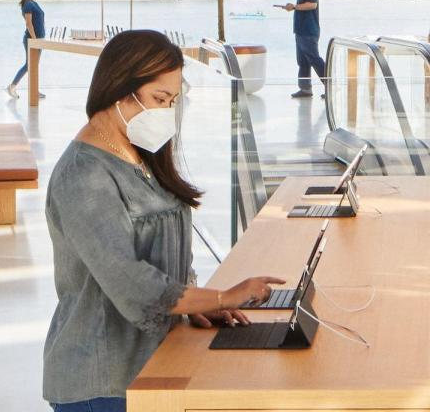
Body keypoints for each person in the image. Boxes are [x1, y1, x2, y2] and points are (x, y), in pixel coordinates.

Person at [43, 30, 285, 411]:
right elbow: (130, 282)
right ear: (121, 89)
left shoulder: (141, 155)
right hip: (103, 381)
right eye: (159, 99)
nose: (166, 111)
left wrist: (197, 303)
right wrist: (223, 295)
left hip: (155, 362)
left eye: (172, 101)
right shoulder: (82, 176)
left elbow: (167, 252)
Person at [281, 0, 326, 99]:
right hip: (301, 31)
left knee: (314, 59)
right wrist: (292, 7)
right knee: (303, 61)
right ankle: (305, 89)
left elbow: (312, 5)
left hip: (308, 31)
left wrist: (294, 6)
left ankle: (331, 86)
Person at [7, 0, 46, 99]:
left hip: (38, 39)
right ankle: (12, 86)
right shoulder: (28, 4)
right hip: (32, 39)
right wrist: (34, 40)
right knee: (29, 65)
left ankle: (34, 90)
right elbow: (29, 23)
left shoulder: (34, 3)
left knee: (33, 65)